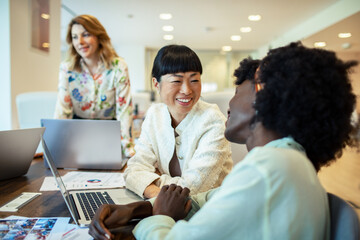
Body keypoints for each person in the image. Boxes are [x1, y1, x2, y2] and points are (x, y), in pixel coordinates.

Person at [88, 42, 359, 240]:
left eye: (238, 88)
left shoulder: (268, 169)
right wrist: (137, 210)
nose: (229, 103)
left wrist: (160, 217)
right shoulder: (283, 161)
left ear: (263, 94)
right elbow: (206, 199)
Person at [124, 44, 233, 199]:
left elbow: (193, 188)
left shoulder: (213, 121)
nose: (187, 90)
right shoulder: (154, 115)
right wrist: (155, 191)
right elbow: (134, 169)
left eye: (194, 80)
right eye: (176, 81)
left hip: (210, 210)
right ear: (156, 84)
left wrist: (151, 180)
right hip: (167, 209)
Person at [54, 14, 134, 157]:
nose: (80, 42)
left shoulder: (118, 67)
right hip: (76, 139)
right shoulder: (67, 69)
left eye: (86, 34)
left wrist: (127, 149)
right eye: (74, 37)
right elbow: (62, 111)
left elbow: (124, 111)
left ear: (98, 36)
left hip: (109, 138)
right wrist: (56, 147)